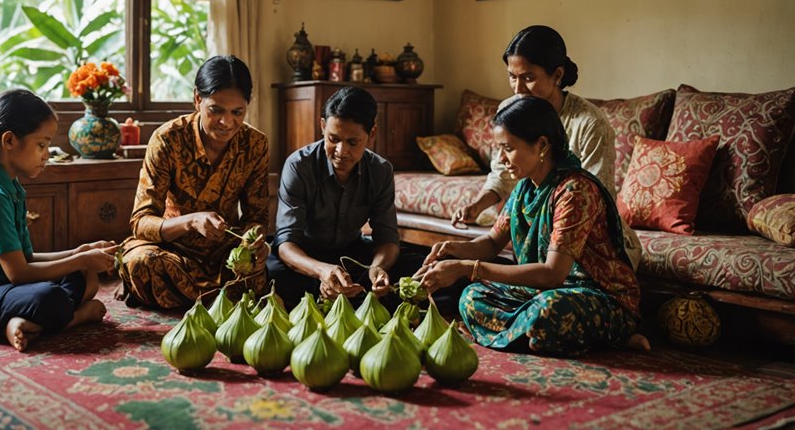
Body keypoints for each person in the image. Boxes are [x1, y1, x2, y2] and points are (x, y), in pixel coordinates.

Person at [415, 96, 649, 356]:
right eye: (499, 149)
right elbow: (492, 243)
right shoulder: (525, 188)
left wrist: (466, 267)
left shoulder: (575, 190)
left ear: (542, 145)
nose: (502, 159)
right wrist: (453, 250)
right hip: (541, 293)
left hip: (598, 296)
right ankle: (537, 335)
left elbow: (552, 274)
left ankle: (615, 334)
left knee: (549, 312)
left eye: (508, 148)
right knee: (472, 297)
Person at [0, 89, 117, 352]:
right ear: (9, 141)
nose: (47, 154)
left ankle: (20, 323)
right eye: (41, 145)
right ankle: (75, 318)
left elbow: (27, 259)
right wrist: (80, 259)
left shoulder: (10, 186)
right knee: (51, 298)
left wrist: (80, 254)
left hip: (1, 288)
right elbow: (19, 274)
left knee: (84, 276)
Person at [453, 25, 642, 270]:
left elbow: (598, 199)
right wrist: (478, 206)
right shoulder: (510, 110)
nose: (518, 89)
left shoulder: (589, 123)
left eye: (528, 78)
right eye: (512, 76)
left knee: (547, 296)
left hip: (586, 241)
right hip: (541, 232)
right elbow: (503, 172)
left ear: (557, 75)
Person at [116, 55, 269, 309]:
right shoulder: (167, 139)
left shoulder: (255, 144)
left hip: (223, 255)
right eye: (216, 110)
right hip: (169, 250)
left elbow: (257, 217)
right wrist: (190, 221)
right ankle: (216, 301)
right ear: (198, 99)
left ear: (248, 105)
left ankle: (173, 298)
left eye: (237, 112)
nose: (226, 123)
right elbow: (140, 222)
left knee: (257, 273)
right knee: (140, 263)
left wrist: (256, 244)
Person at [268, 86, 410, 304]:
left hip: (351, 254)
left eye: (353, 142)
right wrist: (320, 271)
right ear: (323, 126)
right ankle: (346, 296)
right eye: (333, 139)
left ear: (371, 134)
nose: (341, 152)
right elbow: (286, 243)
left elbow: (388, 238)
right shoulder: (298, 166)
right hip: (306, 255)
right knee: (273, 274)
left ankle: (340, 295)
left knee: (414, 265)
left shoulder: (381, 170)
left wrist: (377, 269)